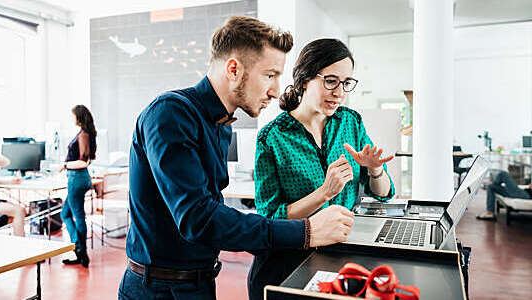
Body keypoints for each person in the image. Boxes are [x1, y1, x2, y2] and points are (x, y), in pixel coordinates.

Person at [119, 16, 355, 300]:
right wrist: (306, 232)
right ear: (233, 69)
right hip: (158, 289)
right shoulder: (170, 114)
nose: (276, 91)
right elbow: (198, 218)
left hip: (198, 282)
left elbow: (213, 213)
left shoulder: (221, 126)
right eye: (270, 75)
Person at [248, 38, 395, 300]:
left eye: (346, 83)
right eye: (331, 81)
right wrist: (325, 192)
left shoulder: (350, 122)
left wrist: (374, 170)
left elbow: (384, 193)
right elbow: (270, 217)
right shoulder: (272, 137)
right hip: (287, 265)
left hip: (340, 258)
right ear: (304, 79)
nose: (339, 92)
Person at [60, 104, 97, 268]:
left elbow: (83, 161)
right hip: (79, 178)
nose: (71, 118)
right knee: (65, 213)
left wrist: (65, 165)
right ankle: (79, 248)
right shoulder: (85, 134)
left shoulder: (83, 135)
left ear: (79, 117)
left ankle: (81, 251)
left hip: (77, 178)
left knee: (77, 215)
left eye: (73, 115)